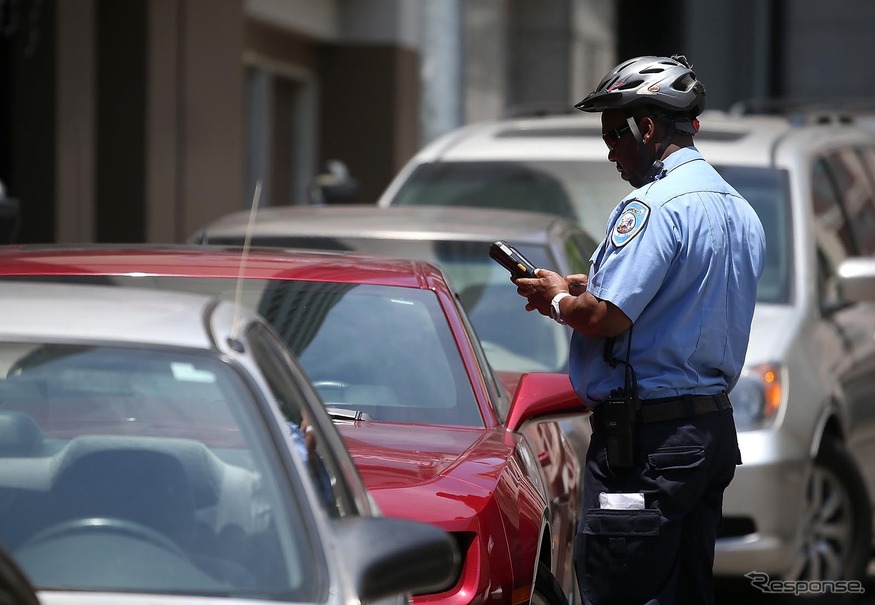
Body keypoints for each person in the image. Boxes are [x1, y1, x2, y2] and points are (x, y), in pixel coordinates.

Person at [513, 55, 765, 604]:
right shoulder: (739, 210)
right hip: (707, 437)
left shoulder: (653, 206)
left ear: (646, 129)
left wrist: (556, 299)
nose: (611, 153)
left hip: (648, 445)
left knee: (617, 586)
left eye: (614, 136)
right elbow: (680, 296)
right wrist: (583, 285)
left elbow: (607, 319)